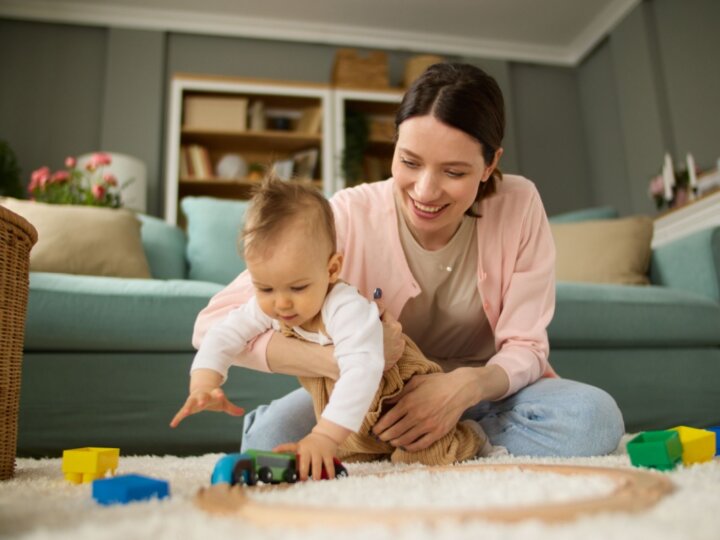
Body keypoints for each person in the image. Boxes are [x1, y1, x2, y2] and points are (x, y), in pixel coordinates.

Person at [192, 62, 625, 459]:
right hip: (367, 388)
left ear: (491, 163)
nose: (424, 190)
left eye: (454, 172)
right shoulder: (346, 215)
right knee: (267, 441)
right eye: (409, 162)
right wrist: (344, 360)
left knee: (593, 420)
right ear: (395, 144)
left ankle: (445, 435)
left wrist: (463, 388)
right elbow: (212, 325)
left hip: (481, 390)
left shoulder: (519, 204)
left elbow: (527, 347)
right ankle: (420, 441)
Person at [171, 176, 488, 480]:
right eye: (265, 288)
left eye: (297, 288)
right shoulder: (272, 303)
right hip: (348, 407)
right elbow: (223, 334)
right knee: (323, 456)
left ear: (332, 269)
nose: (281, 304)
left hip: (395, 396)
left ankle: (473, 433)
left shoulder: (344, 306)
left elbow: (362, 369)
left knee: (425, 454)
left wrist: (323, 436)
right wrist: (204, 383)